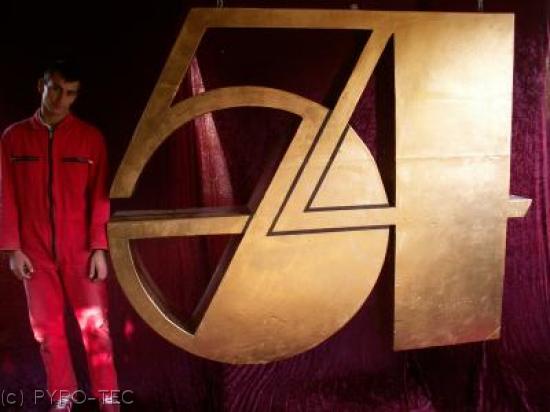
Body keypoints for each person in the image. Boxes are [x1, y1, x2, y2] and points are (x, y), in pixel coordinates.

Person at [0, 59, 120, 412]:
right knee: (47, 332)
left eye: (70, 93)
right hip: (33, 252)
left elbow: (100, 198)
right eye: (55, 89)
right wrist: (12, 249)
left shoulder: (91, 139)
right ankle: (62, 398)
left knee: (96, 328)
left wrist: (99, 247)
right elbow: (5, 195)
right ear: (42, 86)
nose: (61, 100)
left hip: (80, 250)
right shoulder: (13, 138)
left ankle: (109, 400)